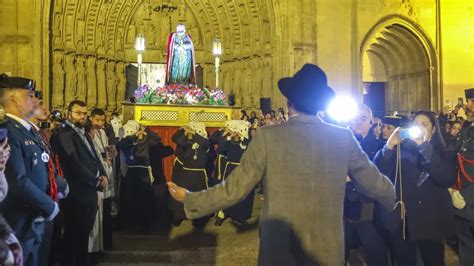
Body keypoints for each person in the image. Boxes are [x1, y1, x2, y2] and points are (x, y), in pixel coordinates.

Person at [167, 64, 396, 265]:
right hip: (326, 251)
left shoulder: (268, 137)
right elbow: (378, 185)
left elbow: (234, 189)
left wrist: (191, 199)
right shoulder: (343, 137)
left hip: (280, 251)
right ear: (320, 104)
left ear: (289, 102)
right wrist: (395, 201)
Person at [374, 111, 456, 266]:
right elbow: (378, 170)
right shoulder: (402, 148)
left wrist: (424, 146)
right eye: (416, 124)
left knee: (433, 260)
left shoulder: (445, 151)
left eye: (424, 124)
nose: (419, 128)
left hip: (432, 221)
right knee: (405, 260)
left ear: (433, 129)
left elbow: (446, 178)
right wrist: (388, 146)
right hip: (405, 220)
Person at [0, 74, 61, 266]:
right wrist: (49, 206)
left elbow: (45, 166)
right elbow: (18, 180)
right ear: (14, 100)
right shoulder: (9, 131)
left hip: (36, 220)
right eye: (30, 95)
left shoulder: (28, 131)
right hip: (21, 222)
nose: (36, 100)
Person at [50, 100, 108, 266]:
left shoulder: (82, 131)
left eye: (84, 113)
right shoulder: (64, 134)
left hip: (87, 191)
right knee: (73, 238)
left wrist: (102, 173)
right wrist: (96, 181)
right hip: (75, 193)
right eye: (78, 113)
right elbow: (74, 162)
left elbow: (94, 155)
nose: (82, 116)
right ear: (69, 113)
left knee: (83, 236)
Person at [345, 104, 387, 266]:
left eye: (363, 119)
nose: (358, 122)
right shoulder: (342, 144)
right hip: (345, 207)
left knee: (375, 252)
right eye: (355, 118)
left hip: (370, 210)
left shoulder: (379, 146)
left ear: (371, 122)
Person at [29, 99, 69, 266]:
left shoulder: (37, 134)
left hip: (50, 197)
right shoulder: (23, 134)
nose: (45, 108)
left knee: (48, 251)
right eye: (38, 104)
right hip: (37, 204)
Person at [168, 122, 211, 229]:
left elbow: (205, 143)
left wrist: (194, 134)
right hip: (186, 172)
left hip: (198, 173)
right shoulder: (187, 140)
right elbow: (177, 140)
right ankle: (179, 216)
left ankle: (200, 219)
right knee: (182, 195)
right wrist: (182, 131)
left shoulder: (203, 141)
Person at [451, 88, 474, 266]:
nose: (468, 106)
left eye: (472, 102)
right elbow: (455, 160)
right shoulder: (467, 130)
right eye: (469, 102)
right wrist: (452, 189)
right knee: (466, 251)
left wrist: (466, 197)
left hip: (469, 200)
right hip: (462, 206)